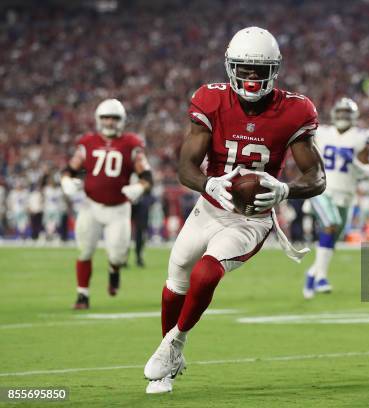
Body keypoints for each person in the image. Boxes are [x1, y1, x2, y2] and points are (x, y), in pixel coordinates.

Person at [143, 27, 325, 394]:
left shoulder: (294, 110)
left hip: (251, 217)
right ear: (230, 67)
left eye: (260, 70)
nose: (252, 77)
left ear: (275, 70)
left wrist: (285, 189)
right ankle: (169, 361)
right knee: (176, 275)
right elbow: (186, 167)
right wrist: (209, 183)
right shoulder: (210, 100)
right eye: (245, 68)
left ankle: (175, 342)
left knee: (206, 273)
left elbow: (317, 177)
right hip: (211, 206)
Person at [61, 98, 153, 309]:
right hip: (90, 206)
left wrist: (140, 187)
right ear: (98, 119)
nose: (110, 122)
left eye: (114, 118)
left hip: (119, 209)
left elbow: (147, 176)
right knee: (85, 251)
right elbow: (70, 168)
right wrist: (65, 180)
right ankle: (82, 296)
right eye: (106, 118)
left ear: (121, 120)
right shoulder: (87, 143)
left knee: (118, 255)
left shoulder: (132, 144)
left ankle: (114, 271)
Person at [303, 97, 369, 299]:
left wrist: (354, 164)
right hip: (321, 189)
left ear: (353, 116)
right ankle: (322, 277)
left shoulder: (361, 137)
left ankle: (313, 273)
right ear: (335, 114)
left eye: (346, 113)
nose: (342, 117)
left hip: (346, 195)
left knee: (333, 236)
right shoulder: (322, 133)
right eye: (340, 113)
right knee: (330, 224)